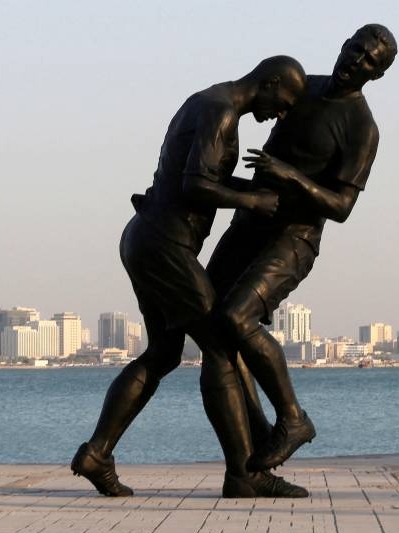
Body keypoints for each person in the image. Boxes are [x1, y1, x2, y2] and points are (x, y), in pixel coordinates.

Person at [72, 56, 309, 498]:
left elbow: (199, 175)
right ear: (270, 81)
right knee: (220, 342)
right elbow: (195, 185)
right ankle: (244, 474)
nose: (280, 114)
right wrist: (253, 203)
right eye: (284, 102)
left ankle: (97, 453)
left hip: (144, 238)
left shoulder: (207, 100)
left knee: (163, 354)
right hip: (166, 246)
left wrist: (251, 188)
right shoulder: (221, 112)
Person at [204, 24, 398, 472]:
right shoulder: (300, 86)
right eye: (356, 49)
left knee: (237, 317)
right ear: (344, 44)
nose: (357, 60)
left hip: (294, 238)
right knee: (215, 329)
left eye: (370, 60)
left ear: (377, 74)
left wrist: (291, 175)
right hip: (250, 221)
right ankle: (253, 450)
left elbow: (343, 206)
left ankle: (293, 419)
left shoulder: (361, 128)